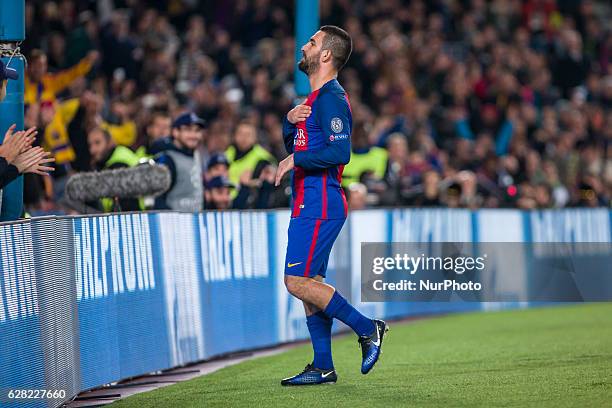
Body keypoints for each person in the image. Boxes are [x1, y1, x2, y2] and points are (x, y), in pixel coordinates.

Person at [274, 26, 387, 386]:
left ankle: (367, 328)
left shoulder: (332, 98)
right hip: (308, 200)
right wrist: (287, 122)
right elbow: (301, 142)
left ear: (325, 56)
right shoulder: (312, 100)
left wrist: (295, 159)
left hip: (320, 201)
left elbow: (341, 153)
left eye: (311, 43)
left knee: (296, 281)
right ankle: (323, 365)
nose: (304, 46)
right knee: (311, 283)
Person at [154, 112, 205, 212]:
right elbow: (158, 199)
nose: (193, 135)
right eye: (188, 130)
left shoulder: (196, 155)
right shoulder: (167, 160)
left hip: (195, 221)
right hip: (174, 223)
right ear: (175, 132)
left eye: (197, 131)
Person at [88, 127, 141, 212]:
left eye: (97, 143)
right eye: (90, 145)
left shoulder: (118, 165)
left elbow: (126, 208)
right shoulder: (111, 160)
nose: (92, 150)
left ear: (110, 143)